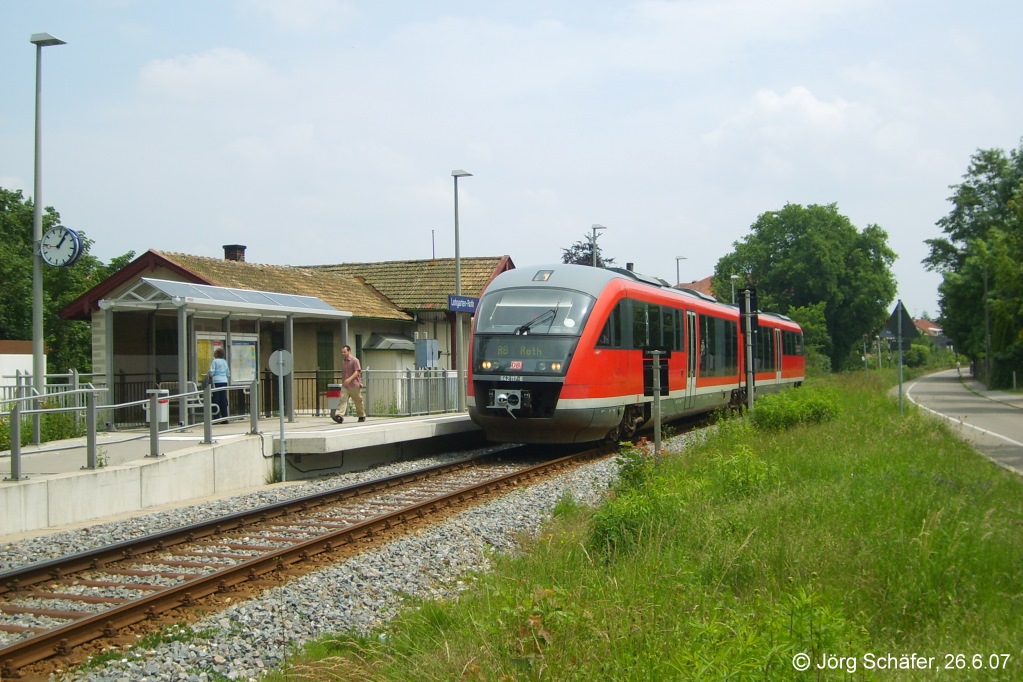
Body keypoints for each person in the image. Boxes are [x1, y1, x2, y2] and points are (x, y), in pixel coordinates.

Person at [338, 344, 366, 423]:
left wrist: (349, 379)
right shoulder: (343, 362)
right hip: (345, 386)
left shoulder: (355, 360)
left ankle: (361, 415)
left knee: (358, 401)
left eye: (344, 352)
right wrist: (344, 382)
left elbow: (357, 371)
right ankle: (339, 415)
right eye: (342, 352)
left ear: (349, 351)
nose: (343, 353)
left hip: (354, 384)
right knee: (342, 400)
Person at [207, 347, 230, 419]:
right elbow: (228, 373)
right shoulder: (224, 361)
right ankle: (225, 417)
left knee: (216, 398)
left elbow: (211, 372)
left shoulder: (215, 361)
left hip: (216, 381)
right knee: (223, 398)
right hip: (224, 381)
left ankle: (216, 417)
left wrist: (210, 376)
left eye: (215, 352)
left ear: (217, 354)